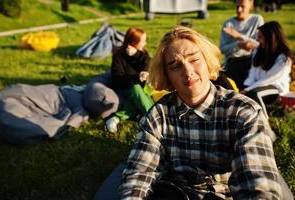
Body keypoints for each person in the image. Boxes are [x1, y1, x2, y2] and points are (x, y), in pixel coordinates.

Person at [119, 26, 293, 199]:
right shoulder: (158, 116)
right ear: (167, 76)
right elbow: (139, 175)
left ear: (207, 60)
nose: (188, 72)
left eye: (194, 59)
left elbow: (258, 184)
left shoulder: (244, 112)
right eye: (175, 65)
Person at [106, 27, 154, 133]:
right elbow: (118, 79)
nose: (145, 43)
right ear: (133, 42)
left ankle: (115, 118)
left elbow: (150, 64)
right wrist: (137, 77)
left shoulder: (142, 53)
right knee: (136, 88)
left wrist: (136, 54)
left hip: (142, 88)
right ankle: (154, 119)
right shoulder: (118, 56)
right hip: (125, 87)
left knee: (140, 94)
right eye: (143, 41)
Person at [242, 21, 294, 118]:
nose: (258, 40)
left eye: (260, 37)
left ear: (271, 38)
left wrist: (248, 89)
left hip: (275, 89)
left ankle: (265, 122)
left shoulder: (284, 59)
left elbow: (268, 79)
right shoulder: (258, 50)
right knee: (245, 92)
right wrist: (247, 85)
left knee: (253, 94)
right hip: (256, 85)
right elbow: (253, 71)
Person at [220, 0, 264, 90]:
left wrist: (238, 36)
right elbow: (222, 48)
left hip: (252, 60)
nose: (239, 10)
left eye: (243, 6)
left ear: (251, 5)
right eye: (237, 7)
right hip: (233, 61)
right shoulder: (228, 23)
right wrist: (238, 44)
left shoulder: (257, 20)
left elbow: (260, 45)